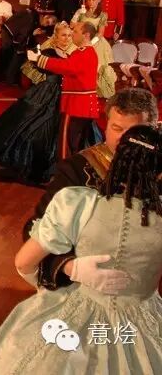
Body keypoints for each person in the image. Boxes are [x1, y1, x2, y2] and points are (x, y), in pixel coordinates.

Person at [0, 124, 162, 375]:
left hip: (75, 314)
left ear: (116, 159)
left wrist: (70, 270)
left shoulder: (77, 203)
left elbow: (23, 263)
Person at [22, 88, 157, 290]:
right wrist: (70, 267)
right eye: (116, 128)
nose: (123, 139)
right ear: (106, 127)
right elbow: (35, 226)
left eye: (134, 133)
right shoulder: (76, 169)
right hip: (87, 282)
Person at [0, 22, 76, 184]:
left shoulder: (73, 54)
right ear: (56, 36)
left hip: (67, 95)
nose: (67, 39)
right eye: (63, 35)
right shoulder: (49, 52)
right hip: (47, 93)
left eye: (69, 35)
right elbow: (41, 68)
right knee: (29, 123)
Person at [28, 21, 101, 158]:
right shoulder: (84, 52)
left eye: (76, 32)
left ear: (86, 35)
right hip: (79, 103)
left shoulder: (84, 52)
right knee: (75, 140)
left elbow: (67, 67)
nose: (72, 34)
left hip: (78, 104)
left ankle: (71, 167)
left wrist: (40, 59)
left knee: (72, 140)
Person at [71, 0, 117, 99]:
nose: (91, 2)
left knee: (95, 68)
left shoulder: (102, 14)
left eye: (94, 0)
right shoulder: (82, 12)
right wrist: (77, 14)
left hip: (96, 43)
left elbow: (100, 33)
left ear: (99, 0)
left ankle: (94, 91)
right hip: (80, 40)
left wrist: (90, 44)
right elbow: (72, 26)